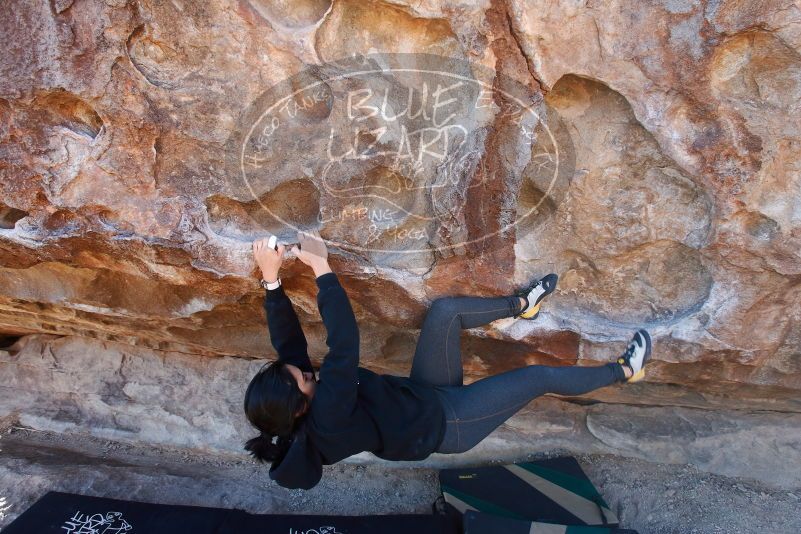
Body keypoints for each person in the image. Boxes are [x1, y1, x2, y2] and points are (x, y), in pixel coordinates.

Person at [243, 230, 652, 490]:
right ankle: (625, 370)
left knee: (445, 313)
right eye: (304, 379)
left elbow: (290, 348)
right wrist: (321, 266)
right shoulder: (327, 416)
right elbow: (345, 341)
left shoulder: (304, 397)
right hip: (449, 424)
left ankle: (522, 305)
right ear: (301, 407)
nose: (307, 370)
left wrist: (272, 278)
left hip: (421, 396)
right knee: (537, 377)